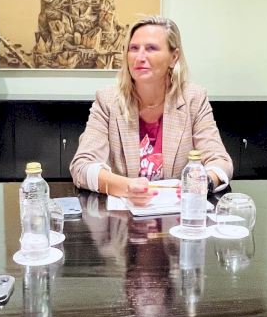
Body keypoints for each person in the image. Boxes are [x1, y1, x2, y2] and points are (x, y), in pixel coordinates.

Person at [70, 15, 232, 206]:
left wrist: (203, 182)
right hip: (124, 216)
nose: (139, 57)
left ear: (173, 57)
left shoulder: (193, 99)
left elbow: (220, 161)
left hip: (177, 214)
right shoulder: (108, 100)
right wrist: (126, 187)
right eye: (133, 48)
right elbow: (81, 167)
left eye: (151, 48)